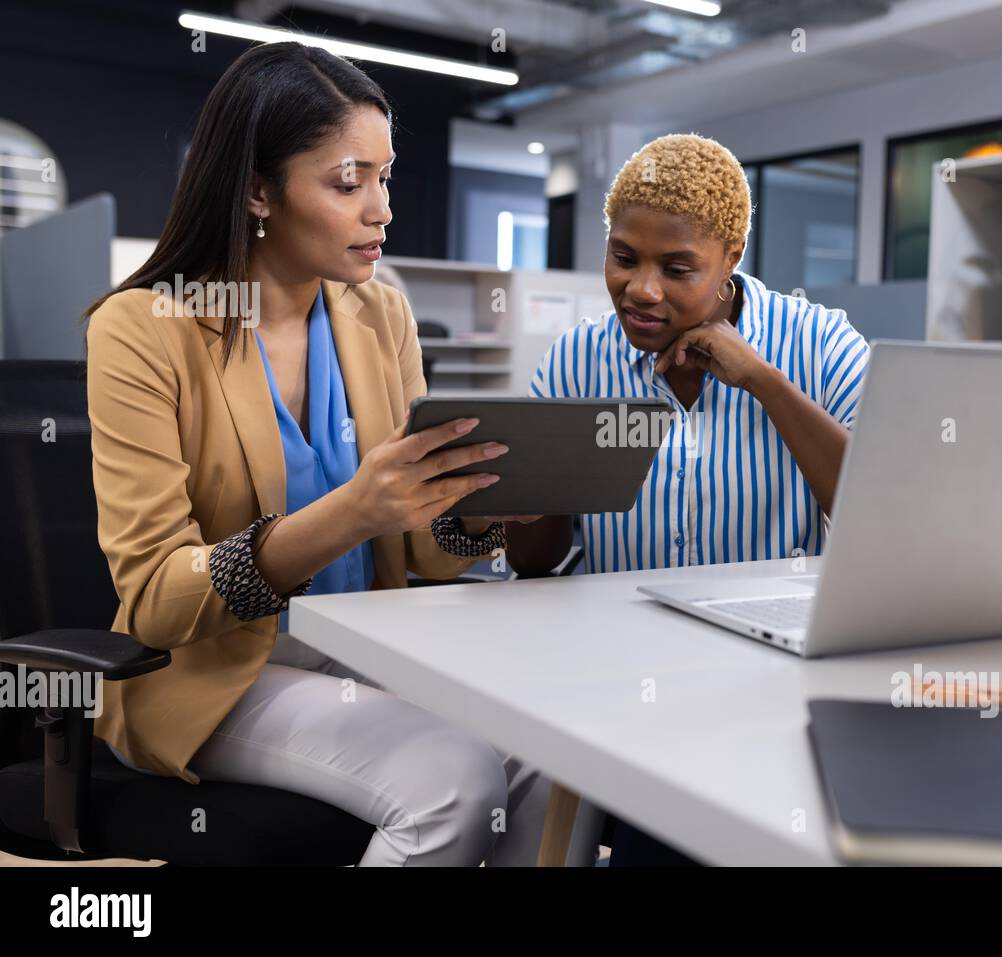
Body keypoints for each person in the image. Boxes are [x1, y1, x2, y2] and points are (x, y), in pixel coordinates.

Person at [83, 41, 546, 866]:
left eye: (386, 176)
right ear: (258, 190)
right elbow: (154, 598)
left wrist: (471, 511)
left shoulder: (381, 315)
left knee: (552, 753)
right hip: (215, 671)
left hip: (364, 647)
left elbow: (426, 560)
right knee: (454, 778)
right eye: (348, 182)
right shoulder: (143, 331)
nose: (382, 210)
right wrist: (355, 511)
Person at [507, 132, 870, 863]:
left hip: (776, 683)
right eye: (623, 258)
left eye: (677, 268)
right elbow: (535, 563)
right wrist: (522, 494)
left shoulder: (820, 342)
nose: (642, 289)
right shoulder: (577, 361)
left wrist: (765, 382)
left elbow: (875, 512)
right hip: (624, 679)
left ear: (731, 256)